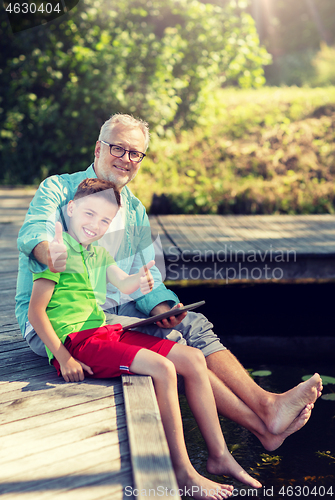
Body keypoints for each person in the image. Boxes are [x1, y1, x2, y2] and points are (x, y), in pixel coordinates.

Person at [16, 113, 322, 454]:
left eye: (135, 154)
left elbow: (149, 278)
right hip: (63, 321)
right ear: (98, 148)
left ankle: (266, 408)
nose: (126, 159)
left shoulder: (134, 211)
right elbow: (35, 232)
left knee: (191, 322)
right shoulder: (59, 188)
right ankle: (262, 421)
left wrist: (164, 308)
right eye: (118, 148)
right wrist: (51, 254)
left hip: (114, 310)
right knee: (176, 341)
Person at [28, 178, 264, 498]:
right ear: (70, 209)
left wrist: (140, 280)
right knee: (164, 369)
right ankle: (182, 472)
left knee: (193, 358)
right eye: (88, 214)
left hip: (104, 332)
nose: (94, 225)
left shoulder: (97, 253)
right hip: (78, 344)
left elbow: (123, 284)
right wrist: (64, 357)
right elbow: (36, 313)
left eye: (104, 220)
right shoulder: (59, 253)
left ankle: (219, 455)